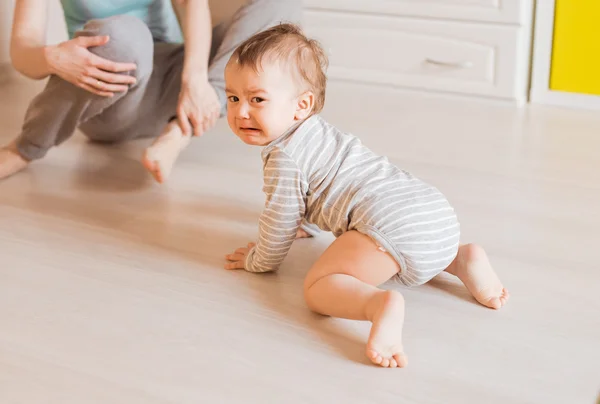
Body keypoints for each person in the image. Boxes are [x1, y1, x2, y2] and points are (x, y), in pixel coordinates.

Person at [223, 24, 510, 368]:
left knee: (319, 286)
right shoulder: (318, 132)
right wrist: (309, 225)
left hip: (392, 225)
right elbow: (316, 192)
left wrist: (260, 261)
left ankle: (378, 306)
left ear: (302, 105)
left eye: (257, 99)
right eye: (233, 98)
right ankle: (462, 258)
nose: (241, 112)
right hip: (433, 213)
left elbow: (280, 218)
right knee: (411, 245)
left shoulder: (284, 157)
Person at [0, 0, 301, 183]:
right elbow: (22, 52)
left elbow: (193, 4)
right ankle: (25, 147)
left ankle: (181, 131)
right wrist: (53, 57)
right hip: (109, 91)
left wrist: (194, 79)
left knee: (276, 4)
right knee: (123, 37)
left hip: (175, 89)